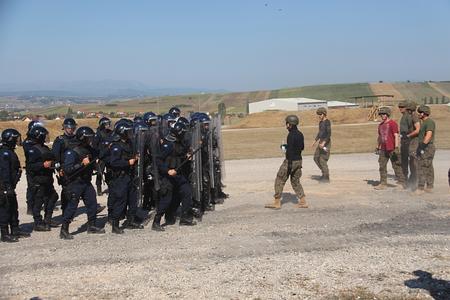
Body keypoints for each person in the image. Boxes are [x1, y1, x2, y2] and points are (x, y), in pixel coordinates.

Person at [59, 127, 106, 239]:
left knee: (92, 203)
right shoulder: (72, 151)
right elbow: (68, 169)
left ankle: (92, 226)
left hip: (86, 182)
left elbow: (99, 154)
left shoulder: (89, 149)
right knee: (72, 206)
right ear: (83, 138)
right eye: (88, 138)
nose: (91, 140)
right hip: (75, 183)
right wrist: (81, 164)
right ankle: (64, 230)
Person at [152, 121, 196, 231]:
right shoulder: (167, 144)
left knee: (187, 192)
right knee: (167, 199)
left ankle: (184, 218)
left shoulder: (180, 142)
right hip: (168, 176)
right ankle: (156, 221)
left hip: (179, 175)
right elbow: (158, 160)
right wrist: (167, 171)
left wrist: (187, 157)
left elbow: (179, 154)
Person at [105, 122, 143, 234]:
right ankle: (115, 225)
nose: (130, 134)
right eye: (127, 131)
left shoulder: (129, 143)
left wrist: (135, 158)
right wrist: (128, 162)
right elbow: (114, 162)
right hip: (120, 177)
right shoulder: (116, 146)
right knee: (121, 200)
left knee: (132, 199)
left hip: (130, 176)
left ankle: (131, 220)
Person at [265, 115, 308, 209]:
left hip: (290, 161)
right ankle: (303, 201)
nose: (286, 126)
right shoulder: (300, 134)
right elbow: (301, 148)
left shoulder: (290, 135)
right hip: (299, 161)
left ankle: (277, 202)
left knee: (280, 179)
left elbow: (290, 151)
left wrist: (288, 163)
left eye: (287, 124)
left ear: (290, 124)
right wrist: (288, 147)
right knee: (295, 181)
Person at [26, 126, 59, 231]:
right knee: (38, 202)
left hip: (47, 178)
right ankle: (38, 223)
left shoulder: (44, 148)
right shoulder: (32, 150)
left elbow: (52, 159)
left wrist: (55, 164)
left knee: (53, 197)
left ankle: (48, 219)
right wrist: (42, 165)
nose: (45, 137)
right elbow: (30, 166)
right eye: (44, 135)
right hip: (38, 179)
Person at [0, 129, 30, 242]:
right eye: (15, 138)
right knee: (4, 209)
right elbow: (4, 172)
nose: (17, 140)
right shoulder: (4, 153)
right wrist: (7, 187)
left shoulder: (9, 151)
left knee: (13, 208)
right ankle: (4, 234)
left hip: (10, 185)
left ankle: (15, 229)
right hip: (4, 187)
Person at [374, 106, 406, 190]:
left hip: (392, 148)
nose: (382, 116)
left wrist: (396, 147)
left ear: (387, 114)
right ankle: (383, 183)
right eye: (381, 114)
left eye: (384, 114)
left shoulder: (392, 124)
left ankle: (401, 183)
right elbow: (380, 137)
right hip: (383, 149)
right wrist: (377, 147)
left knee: (396, 166)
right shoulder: (380, 125)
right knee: (382, 166)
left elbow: (396, 135)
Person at [398, 101, 420, 188]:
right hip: (405, 139)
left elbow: (415, 129)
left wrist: (407, 136)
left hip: (409, 139)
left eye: (402, 107)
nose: (401, 108)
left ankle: (412, 180)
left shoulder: (410, 116)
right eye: (399, 107)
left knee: (412, 160)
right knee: (404, 160)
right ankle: (405, 180)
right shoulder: (404, 116)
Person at [414, 105, 436, 194]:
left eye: (420, 112)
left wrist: (422, 146)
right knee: (428, 166)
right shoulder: (424, 122)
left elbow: (429, 134)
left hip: (427, 147)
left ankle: (420, 188)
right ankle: (430, 186)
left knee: (422, 166)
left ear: (424, 113)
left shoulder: (429, 122)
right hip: (425, 146)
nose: (418, 114)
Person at [92, 117, 112, 196]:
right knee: (100, 173)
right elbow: (94, 146)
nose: (108, 125)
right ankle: (99, 187)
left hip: (109, 156)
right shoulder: (98, 134)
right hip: (101, 156)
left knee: (110, 172)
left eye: (108, 124)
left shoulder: (111, 132)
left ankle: (110, 186)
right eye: (106, 124)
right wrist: (96, 157)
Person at [312, 107, 331, 182]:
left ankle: (326, 177)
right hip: (320, 142)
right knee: (316, 158)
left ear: (324, 114)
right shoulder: (320, 123)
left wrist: (324, 142)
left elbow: (329, 133)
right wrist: (315, 140)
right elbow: (320, 133)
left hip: (326, 143)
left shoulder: (327, 122)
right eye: (318, 114)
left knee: (322, 159)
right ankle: (324, 172)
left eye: (320, 114)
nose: (319, 115)